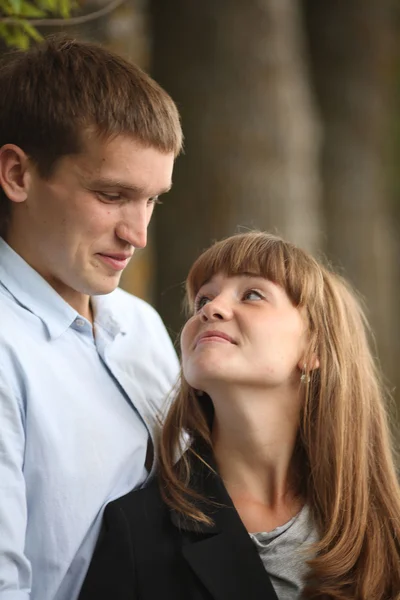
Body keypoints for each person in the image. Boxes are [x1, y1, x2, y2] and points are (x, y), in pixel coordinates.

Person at [79, 231, 400, 600]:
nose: (210, 310)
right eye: (203, 298)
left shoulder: (383, 528)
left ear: (314, 348)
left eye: (252, 294)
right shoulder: (137, 530)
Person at [0, 35, 183, 600]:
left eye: (153, 199)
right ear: (17, 174)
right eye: (112, 195)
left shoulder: (142, 325)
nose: (138, 234)